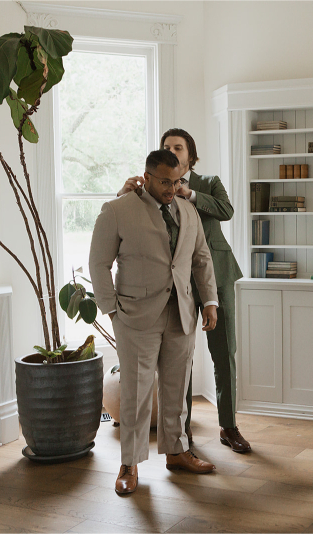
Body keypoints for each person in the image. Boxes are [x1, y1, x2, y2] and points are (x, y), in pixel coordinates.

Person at [90, 149, 220, 495]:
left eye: (177, 181)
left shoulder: (188, 211)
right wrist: (112, 310)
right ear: (147, 177)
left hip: (182, 313)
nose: (171, 188)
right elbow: (99, 264)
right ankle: (129, 464)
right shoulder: (117, 210)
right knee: (135, 391)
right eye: (165, 181)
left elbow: (201, 258)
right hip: (135, 317)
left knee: (177, 389)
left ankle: (177, 452)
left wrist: (209, 301)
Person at [118, 128, 249, 453]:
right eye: (166, 147)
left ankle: (229, 427)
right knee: (180, 360)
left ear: (191, 154)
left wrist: (188, 194)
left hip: (215, 276)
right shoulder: (153, 186)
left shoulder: (208, 183)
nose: (172, 151)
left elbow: (226, 211)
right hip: (174, 285)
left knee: (224, 353)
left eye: (178, 147)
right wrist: (124, 191)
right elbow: (124, 218)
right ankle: (182, 436)